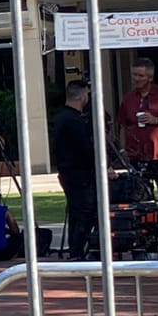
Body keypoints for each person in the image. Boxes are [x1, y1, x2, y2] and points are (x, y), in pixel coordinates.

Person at [51, 80, 100, 259]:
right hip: (80, 175)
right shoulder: (74, 121)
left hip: (68, 173)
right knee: (85, 212)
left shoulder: (61, 118)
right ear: (82, 96)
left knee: (76, 212)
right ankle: (78, 251)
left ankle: (76, 251)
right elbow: (86, 148)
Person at [116, 56, 158, 201]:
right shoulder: (129, 98)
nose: (136, 79)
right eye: (134, 75)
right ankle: (147, 224)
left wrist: (157, 120)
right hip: (137, 155)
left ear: (150, 77)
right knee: (140, 197)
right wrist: (124, 150)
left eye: (140, 75)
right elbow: (124, 125)